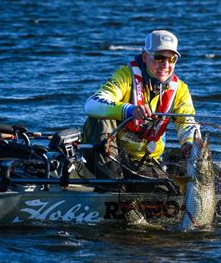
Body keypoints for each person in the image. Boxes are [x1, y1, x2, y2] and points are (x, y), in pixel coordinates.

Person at [81, 30, 196, 184]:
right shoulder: (125, 76)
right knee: (101, 119)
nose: (166, 65)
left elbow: (188, 124)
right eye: (159, 57)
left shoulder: (180, 89)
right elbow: (92, 104)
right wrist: (129, 110)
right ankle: (109, 185)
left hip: (145, 161)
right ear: (144, 56)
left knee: (167, 186)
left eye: (172, 59)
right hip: (111, 156)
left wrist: (188, 143)